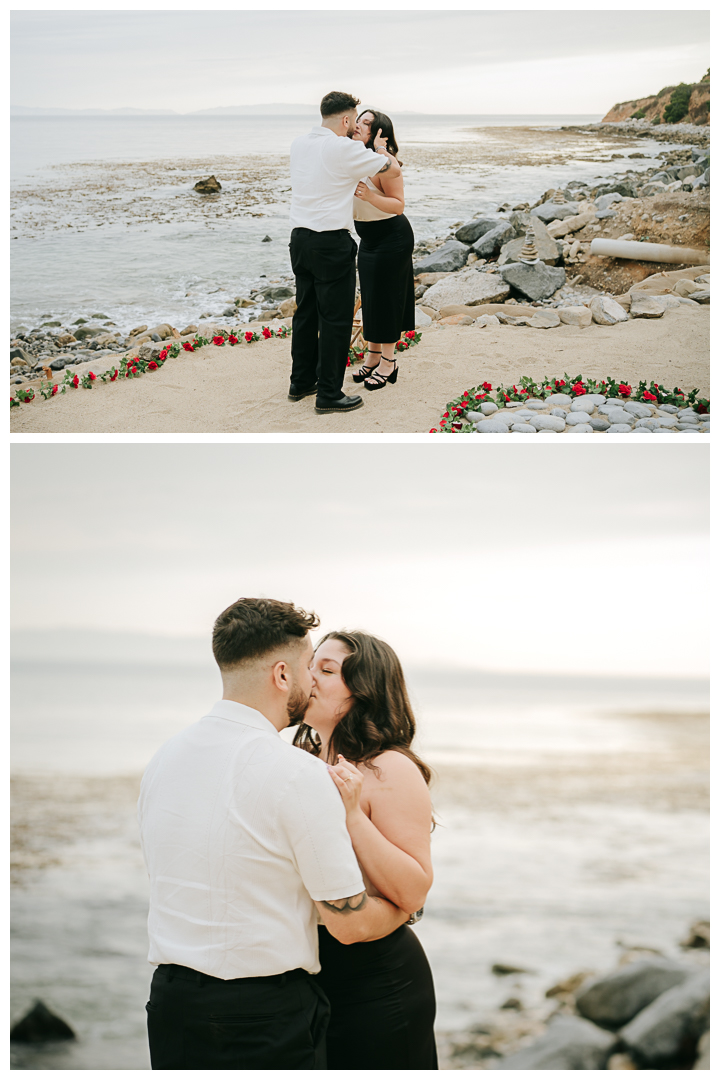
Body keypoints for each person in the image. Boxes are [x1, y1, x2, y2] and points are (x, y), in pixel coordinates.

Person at [138, 598, 409, 1070]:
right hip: (261, 1016)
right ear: (282, 675)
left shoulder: (164, 758)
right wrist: (403, 907)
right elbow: (348, 924)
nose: (311, 682)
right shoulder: (298, 774)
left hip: (170, 1006)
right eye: (310, 668)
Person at [293, 630, 439, 1070]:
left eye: (327, 669)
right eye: (310, 664)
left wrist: (353, 814)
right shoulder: (297, 760)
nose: (310, 676)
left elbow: (414, 890)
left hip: (377, 982)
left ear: (363, 693)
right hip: (307, 978)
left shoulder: (388, 767)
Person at [288, 91, 401, 415]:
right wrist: (380, 148)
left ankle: (301, 382)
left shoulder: (299, 143)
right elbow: (391, 170)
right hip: (330, 242)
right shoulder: (343, 148)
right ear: (347, 119)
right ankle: (329, 394)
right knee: (335, 319)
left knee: (305, 313)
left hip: (299, 239)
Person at [350, 109, 416, 391]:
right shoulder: (353, 155)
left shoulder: (385, 163)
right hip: (369, 239)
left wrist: (370, 195)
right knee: (372, 298)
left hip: (392, 237)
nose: (358, 125)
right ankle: (373, 355)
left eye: (366, 123)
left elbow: (398, 205)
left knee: (387, 299)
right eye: (358, 120)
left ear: (379, 132)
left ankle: (389, 362)